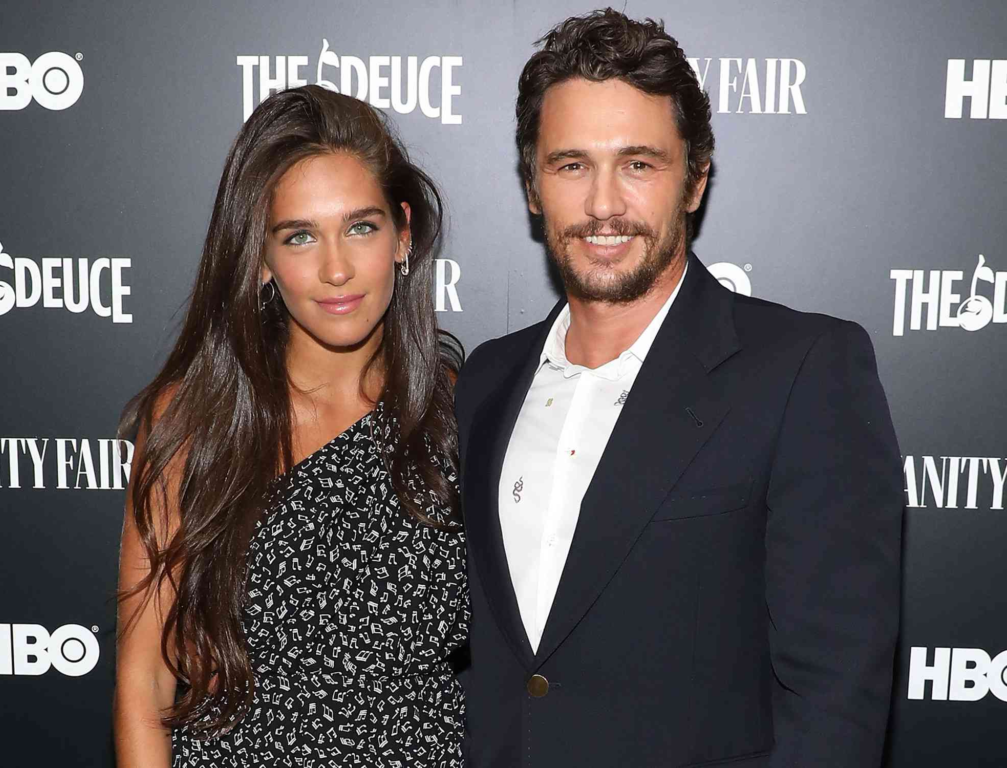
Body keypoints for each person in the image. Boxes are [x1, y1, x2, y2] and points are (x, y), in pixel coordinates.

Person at [454, 9, 903, 767]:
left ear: (694, 180)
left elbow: (835, 701)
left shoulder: (803, 370)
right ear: (533, 184)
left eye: (638, 164)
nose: (603, 205)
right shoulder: (485, 380)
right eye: (571, 165)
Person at [114, 85, 468, 768]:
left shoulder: (459, 414)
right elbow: (143, 682)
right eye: (300, 236)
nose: (336, 269)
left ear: (403, 234)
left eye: (360, 227)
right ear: (261, 258)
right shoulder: (194, 421)